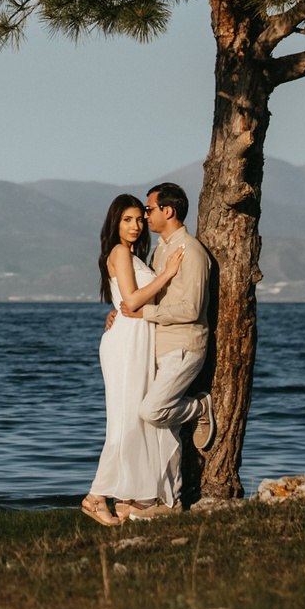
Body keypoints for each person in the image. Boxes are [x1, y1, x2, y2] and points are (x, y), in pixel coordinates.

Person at [82, 195, 174, 524]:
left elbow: (125, 299)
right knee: (123, 425)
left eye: (139, 219)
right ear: (115, 223)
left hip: (137, 341)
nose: (135, 226)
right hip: (125, 344)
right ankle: (96, 497)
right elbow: (133, 301)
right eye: (127, 220)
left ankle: (128, 500)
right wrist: (168, 274)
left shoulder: (134, 255)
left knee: (136, 421)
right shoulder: (119, 252)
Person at [133, 182, 215, 506]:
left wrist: (145, 314)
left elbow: (192, 309)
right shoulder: (161, 250)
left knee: (151, 411)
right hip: (159, 346)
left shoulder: (192, 251)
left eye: (149, 209)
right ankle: (170, 501)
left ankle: (200, 407)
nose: (145, 215)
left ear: (168, 211)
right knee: (164, 432)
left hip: (184, 347)